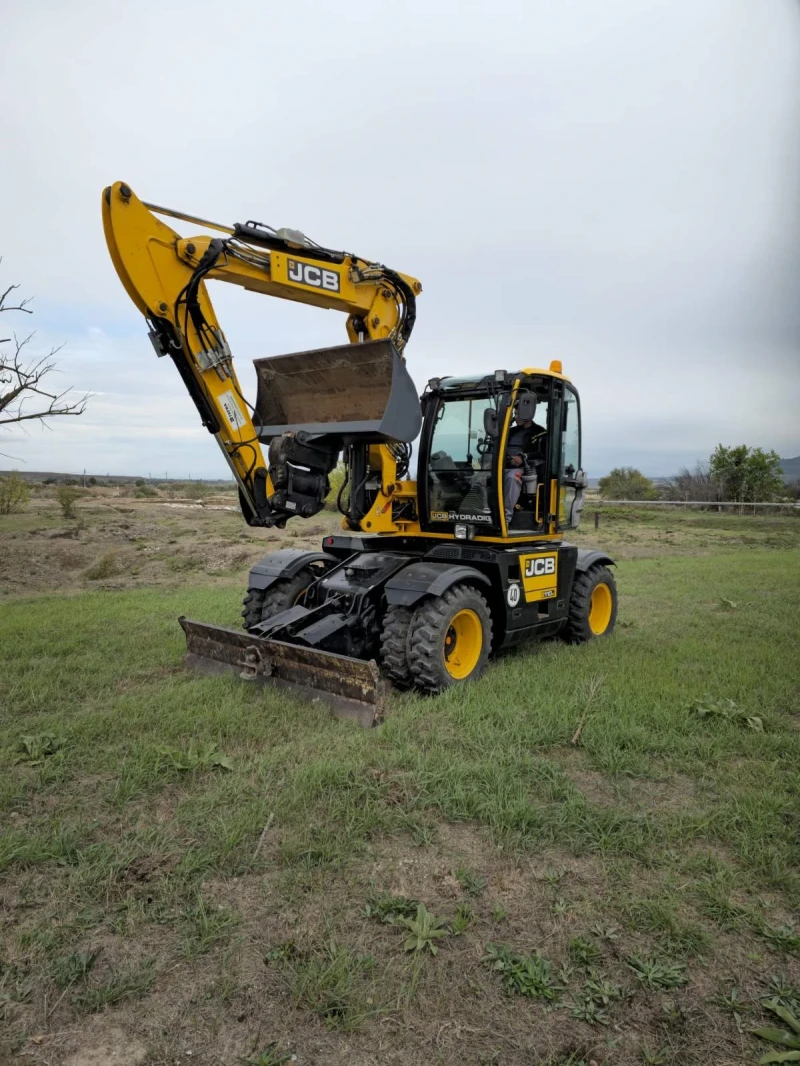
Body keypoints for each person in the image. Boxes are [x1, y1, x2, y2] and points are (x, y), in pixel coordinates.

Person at [503, 413, 546, 524]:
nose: (516, 417)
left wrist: (524, 458)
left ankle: (505, 518)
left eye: (519, 413)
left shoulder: (540, 432)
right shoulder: (510, 431)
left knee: (513, 478)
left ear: (528, 411)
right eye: (515, 414)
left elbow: (543, 453)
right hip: (502, 465)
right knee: (478, 477)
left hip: (524, 468)